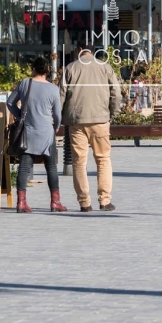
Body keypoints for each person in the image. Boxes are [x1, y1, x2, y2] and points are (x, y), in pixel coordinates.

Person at [60, 46, 123, 212]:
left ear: (80, 49)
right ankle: (105, 200)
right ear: (93, 51)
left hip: (76, 121)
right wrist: (112, 114)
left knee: (79, 162)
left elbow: (61, 95)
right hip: (100, 119)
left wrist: (59, 117)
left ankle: (84, 203)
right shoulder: (105, 67)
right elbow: (116, 93)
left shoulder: (70, 68)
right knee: (103, 159)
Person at [6, 57, 64, 213]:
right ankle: (55, 202)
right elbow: (57, 115)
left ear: (33, 69)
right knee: (51, 167)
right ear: (48, 70)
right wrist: (55, 127)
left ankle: (21, 202)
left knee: (24, 166)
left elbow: (10, 102)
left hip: (28, 132)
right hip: (46, 133)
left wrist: (20, 115)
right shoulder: (53, 89)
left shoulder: (25, 83)